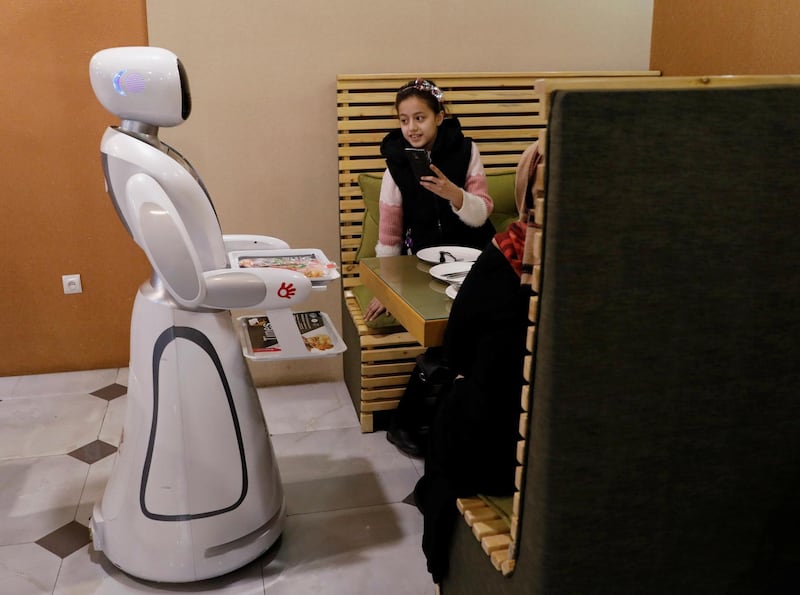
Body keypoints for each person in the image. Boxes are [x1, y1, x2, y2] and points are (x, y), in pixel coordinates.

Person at [398, 141, 543, 584]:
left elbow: (457, 345)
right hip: (561, 452)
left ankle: (442, 552)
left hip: (500, 455)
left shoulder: (510, 254)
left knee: (450, 398)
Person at [364, 78, 496, 322]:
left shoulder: (466, 151)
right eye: (404, 120)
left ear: (438, 117)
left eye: (420, 118)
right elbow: (389, 237)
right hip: (422, 263)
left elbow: (480, 215)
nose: (412, 128)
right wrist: (386, 290)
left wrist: (454, 194)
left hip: (473, 257)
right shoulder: (395, 166)